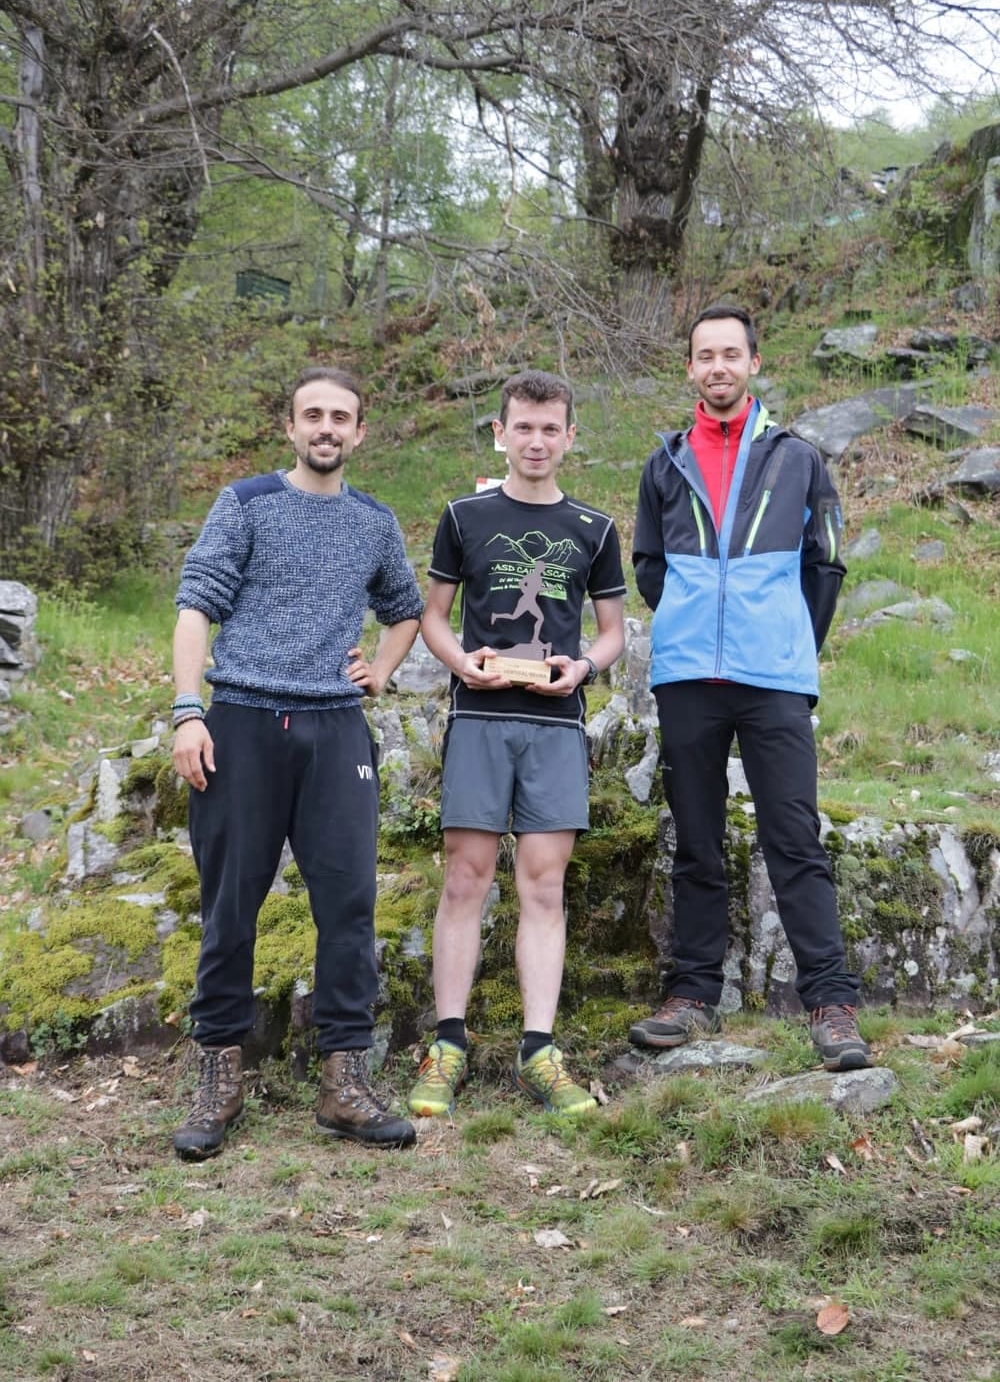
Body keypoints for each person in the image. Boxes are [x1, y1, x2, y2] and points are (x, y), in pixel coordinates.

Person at [170, 365, 423, 1158]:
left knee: (348, 906)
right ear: (290, 426)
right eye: (312, 414)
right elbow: (195, 606)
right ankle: (219, 1075)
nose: (326, 427)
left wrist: (380, 670)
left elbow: (406, 608)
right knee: (229, 905)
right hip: (240, 722)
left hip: (336, 729)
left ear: (359, 432)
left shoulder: (376, 523)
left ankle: (344, 1083)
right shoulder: (245, 504)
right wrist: (187, 712)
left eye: (340, 417)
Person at [629, 304, 870, 1072]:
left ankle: (830, 1001)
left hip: (773, 679)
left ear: (754, 362)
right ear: (691, 368)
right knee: (696, 841)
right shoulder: (664, 463)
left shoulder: (798, 457)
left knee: (794, 838)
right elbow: (648, 568)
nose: (718, 367)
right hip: (688, 679)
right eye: (705, 355)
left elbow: (825, 561)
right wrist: (694, 625)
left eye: (731, 353)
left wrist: (787, 635)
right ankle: (692, 993)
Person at [408, 370, 626, 1119]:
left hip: (556, 724)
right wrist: (458, 661)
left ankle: (539, 1051)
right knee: (465, 877)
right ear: (499, 433)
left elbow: (613, 633)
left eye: (550, 428)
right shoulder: (463, 516)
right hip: (479, 714)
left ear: (570, 437)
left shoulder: (595, 529)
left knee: (542, 884)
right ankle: (448, 1046)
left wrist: (583, 668)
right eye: (522, 427)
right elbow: (434, 613)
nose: (536, 441)